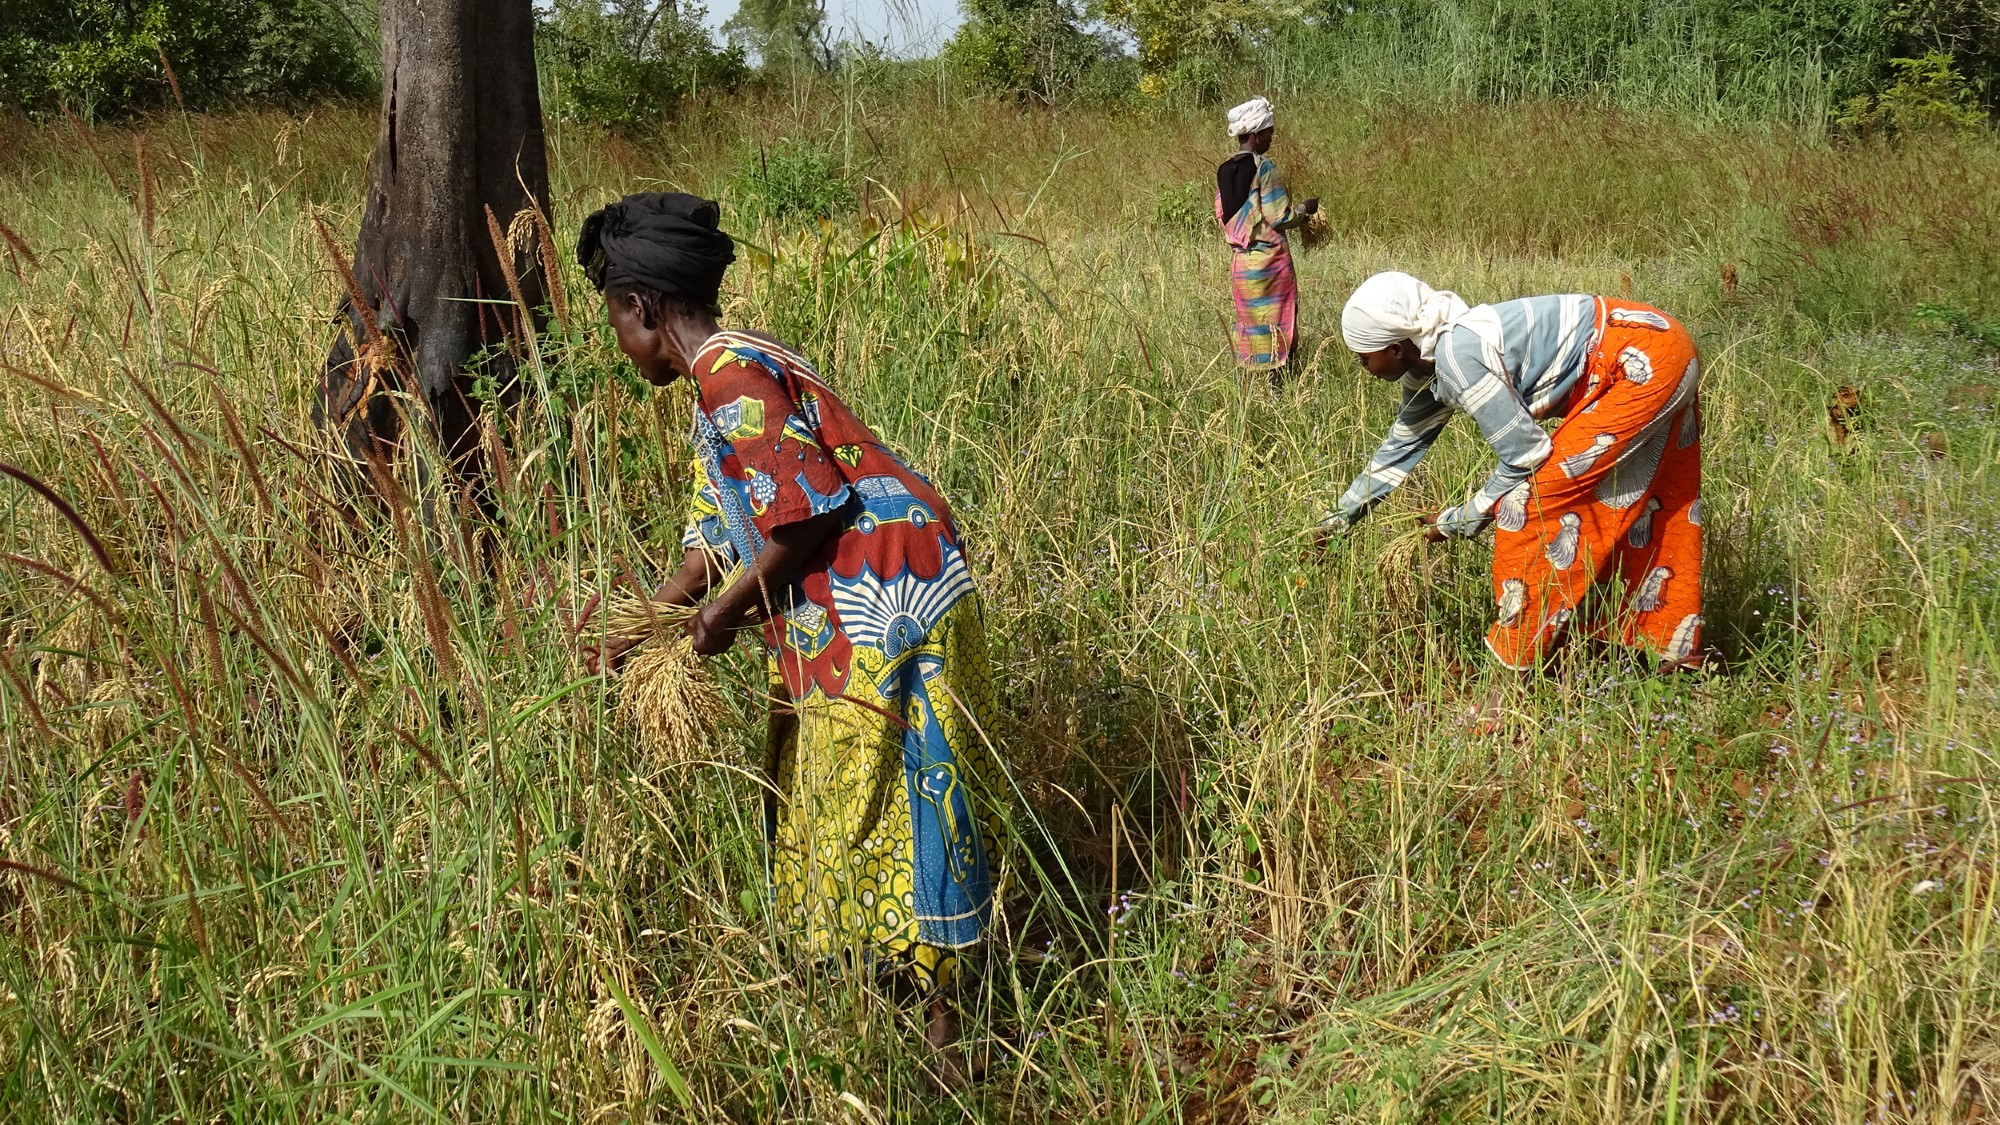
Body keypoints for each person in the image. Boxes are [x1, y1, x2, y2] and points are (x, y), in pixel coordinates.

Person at [575, 192, 1008, 1069]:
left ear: (643, 308)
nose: (618, 344)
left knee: (882, 795)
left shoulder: (728, 374)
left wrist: (717, 618)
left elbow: (803, 515)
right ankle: (898, 993)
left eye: (614, 319)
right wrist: (650, 618)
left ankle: (947, 1026)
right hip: (899, 572)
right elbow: (719, 529)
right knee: (873, 789)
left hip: (883, 592)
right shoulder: (737, 369)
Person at [1320, 272, 1704, 721]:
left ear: (1396, 348)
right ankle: (1663, 654)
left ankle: (1507, 688)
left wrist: (1465, 516)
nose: (1361, 368)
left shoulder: (1458, 356)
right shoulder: (1433, 366)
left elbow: (1525, 456)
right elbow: (1398, 449)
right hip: (1656, 346)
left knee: (1529, 508)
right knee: (1648, 504)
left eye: (1361, 357)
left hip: (1644, 361)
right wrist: (1337, 520)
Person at [1216, 96, 1318, 377]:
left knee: (1250, 326)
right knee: (1279, 324)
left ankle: (1253, 382)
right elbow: (1279, 217)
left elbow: (1225, 216)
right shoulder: (1264, 168)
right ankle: (1279, 385)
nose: (1271, 139)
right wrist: (1305, 210)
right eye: (1269, 133)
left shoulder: (1224, 171)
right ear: (1257, 134)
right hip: (1271, 265)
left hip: (1242, 266)